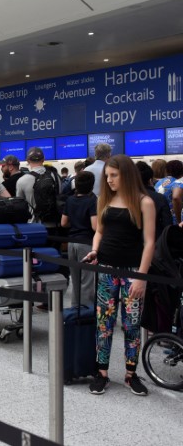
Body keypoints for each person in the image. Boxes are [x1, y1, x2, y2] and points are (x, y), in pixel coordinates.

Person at [83, 155, 155, 396]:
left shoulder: (144, 202)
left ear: (126, 174)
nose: (109, 180)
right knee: (103, 323)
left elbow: (149, 242)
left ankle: (130, 374)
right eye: (107, 176)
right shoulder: (105, 199)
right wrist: (94, 251)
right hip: (106, 269)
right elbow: (99, 232)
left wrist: (141, 277)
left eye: (114, 175)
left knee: (131, 325)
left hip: (132, 270)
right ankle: (101, 372)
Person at [60, 171, 98, 306]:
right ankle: (86, 312)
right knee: (87, 281)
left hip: (71, 242)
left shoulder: (70, 200)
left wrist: (76, 223)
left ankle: (75, 310)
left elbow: (64, 223)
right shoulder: (93, 200)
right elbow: (95, 226)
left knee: (75, 280)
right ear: (92, 185)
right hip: (86, 243)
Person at [15, 147, 62, 225]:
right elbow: (60, 196)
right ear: (43, 159)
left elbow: (20, 206)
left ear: (28, 160)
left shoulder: (22, 181)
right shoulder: (55, 176)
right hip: (55, 224)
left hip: (34, 226)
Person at [136, 161, 173, 240]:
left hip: (129, 245)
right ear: (150, 180)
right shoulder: (160, 198)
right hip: (156, 241)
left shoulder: (124, 198)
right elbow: (167, 225)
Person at [154, 159, 183, 224]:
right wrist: (179, 221)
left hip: (160, 218)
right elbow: (176, 197)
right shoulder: (178, 182)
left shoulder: (158, 183)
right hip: (174, 220)